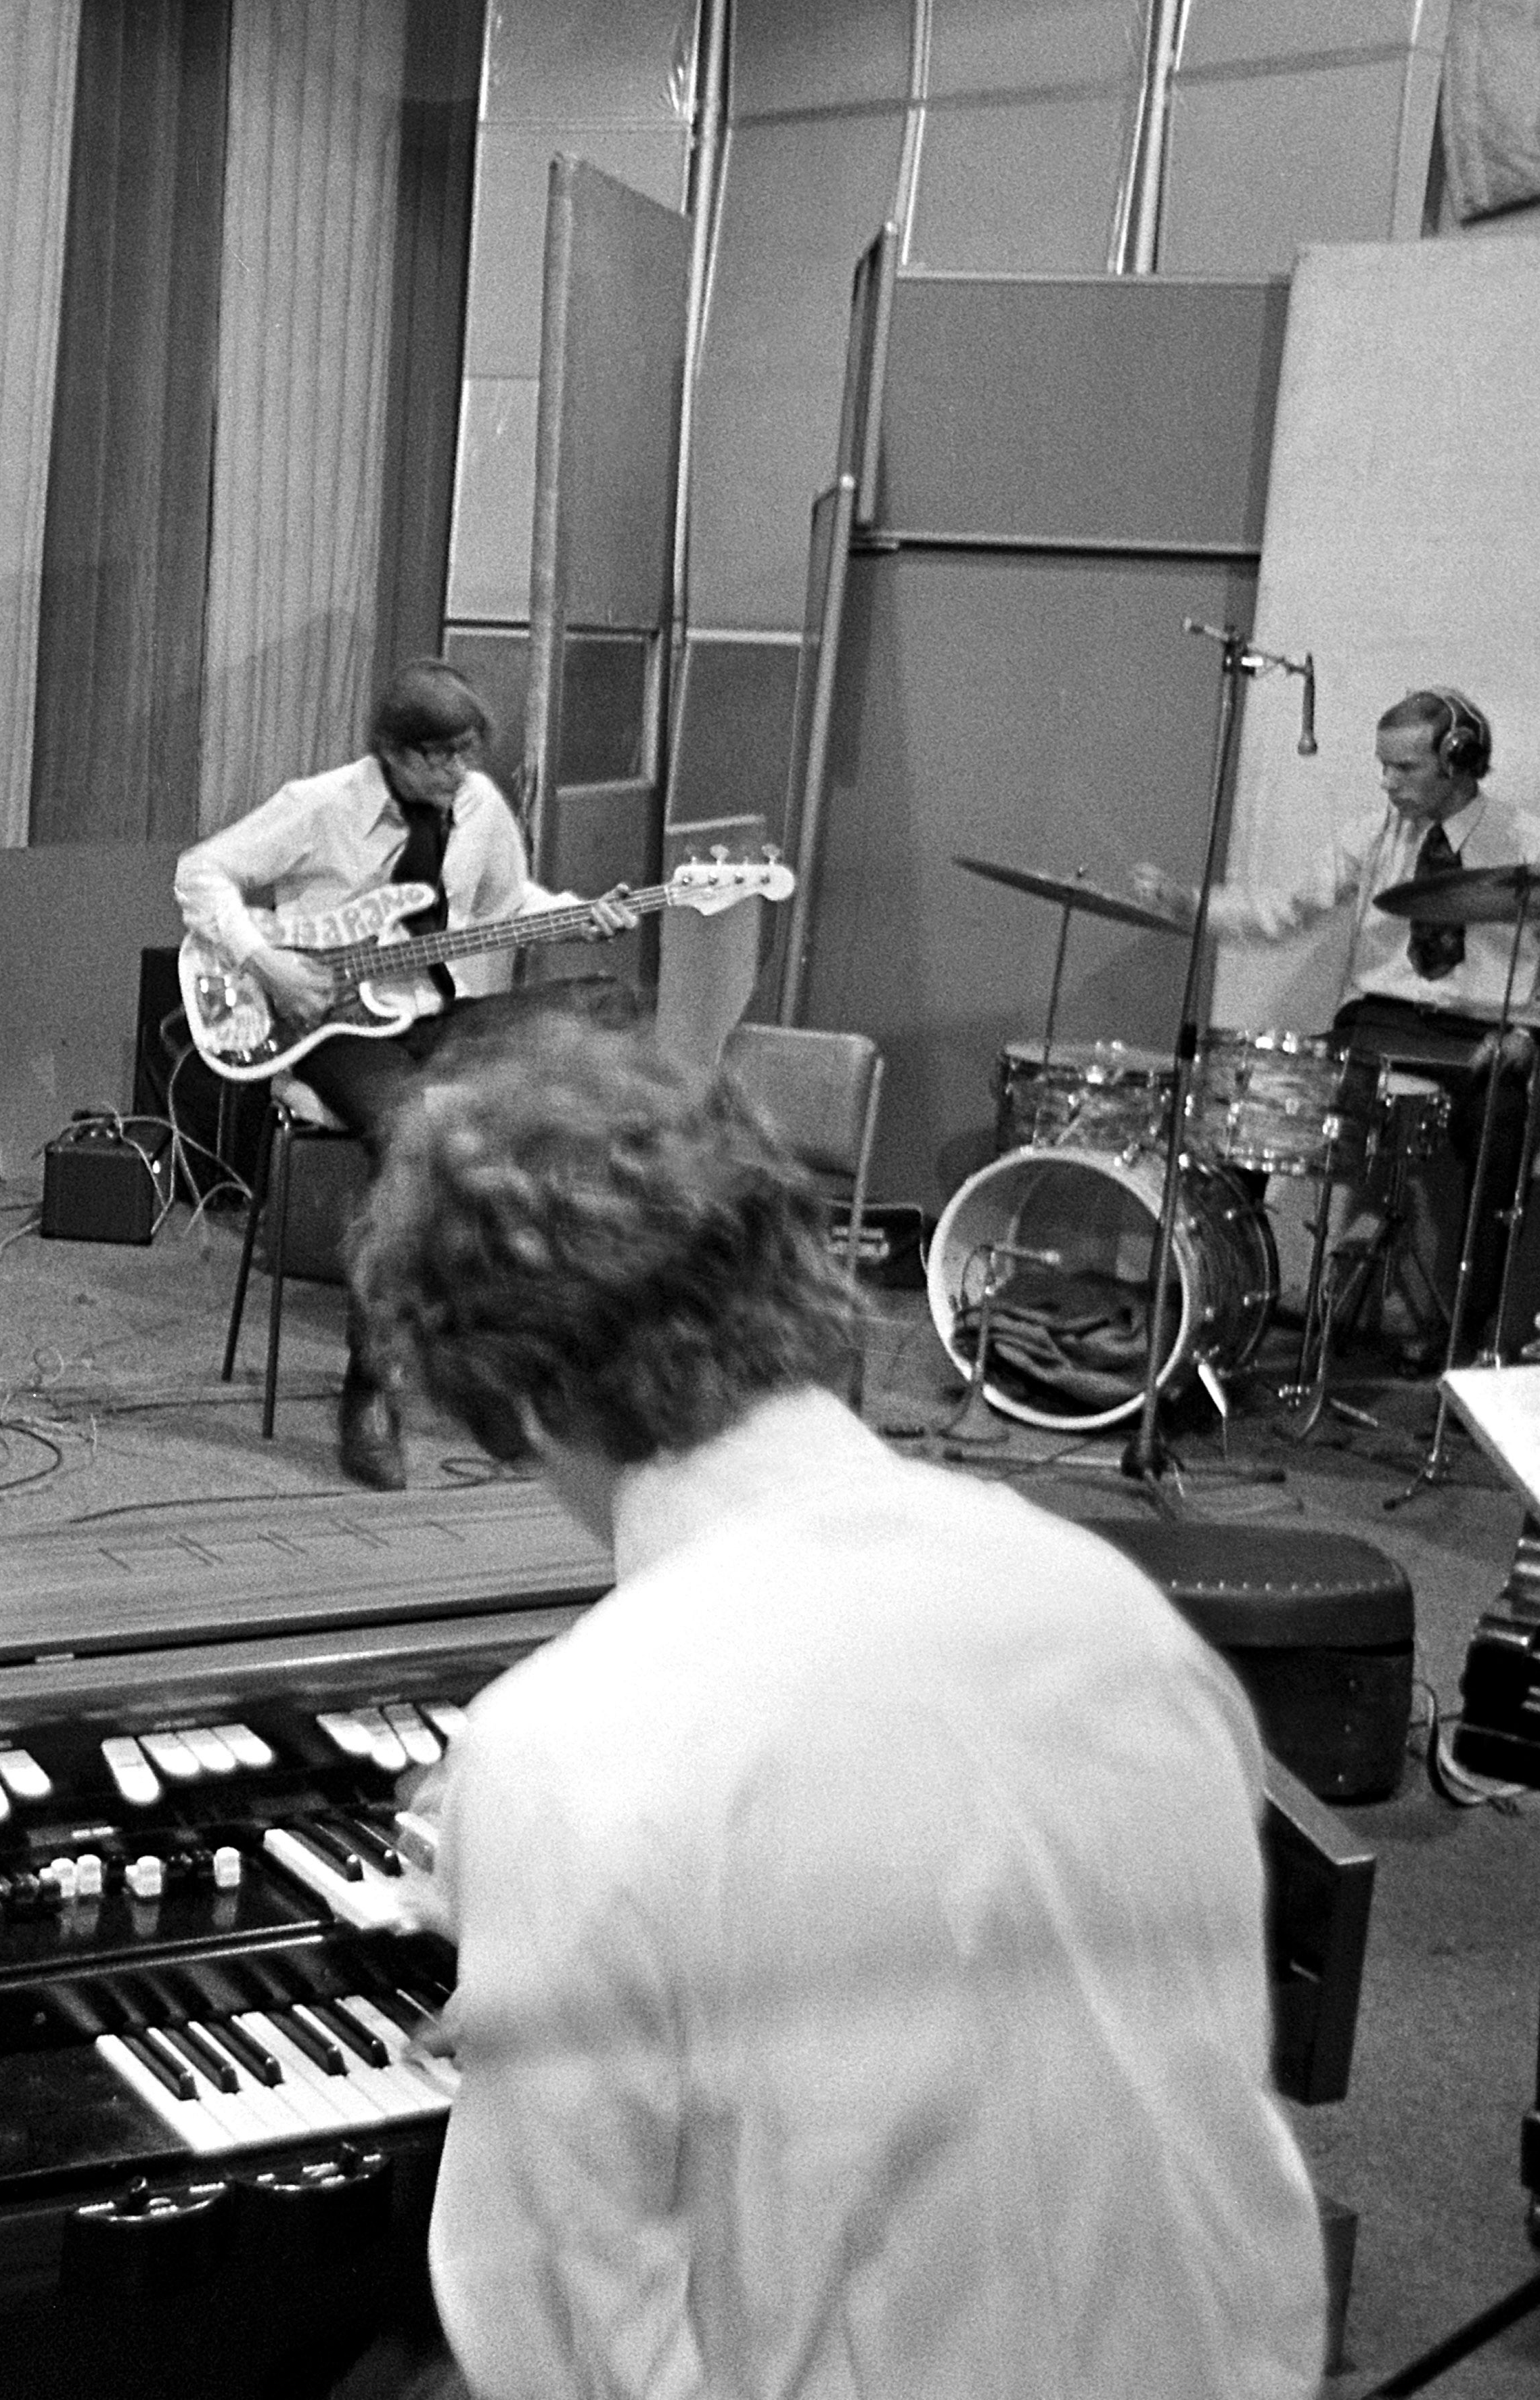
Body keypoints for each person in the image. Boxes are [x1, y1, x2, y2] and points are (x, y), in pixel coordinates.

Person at [347, 1012, 1327, 2400]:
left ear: (508, 1396)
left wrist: (543, 1875)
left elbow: (565, 2344)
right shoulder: (1113, 1615)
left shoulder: (574, 1749)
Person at [173, 658, 631, 1487]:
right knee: (416, 1131)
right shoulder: (320, 806)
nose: (458, 772)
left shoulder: (478, 807)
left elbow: (504, 906)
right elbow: (200, 872)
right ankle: (370, 1389)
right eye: (441, 756)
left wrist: (578, 916)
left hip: (432, 1011)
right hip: (331, 1027)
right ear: (392, 751)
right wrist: (265, 961)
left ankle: (520, 1357)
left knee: (603, 1014)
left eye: (467, 753)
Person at [1133, 686, 1540, 1356]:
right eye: (1381, 766)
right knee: (1257, 1092)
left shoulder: (1537, 849)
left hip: (1477, 1039)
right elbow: (1282, 912)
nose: (1385, 782)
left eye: (1402, 768)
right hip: (1375, 1026)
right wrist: (1187, 904)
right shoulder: (1371, 835)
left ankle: (1469, 1338)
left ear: (1458, 757)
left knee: (1499, 1123)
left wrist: (1531, 1037)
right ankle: (1217, 1302)